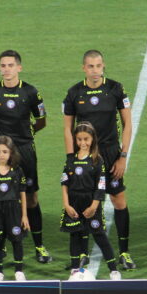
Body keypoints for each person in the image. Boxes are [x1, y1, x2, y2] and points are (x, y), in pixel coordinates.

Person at [62, 50, 135, 270]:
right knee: (81, 201)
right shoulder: (74, 93)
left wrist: (123, 156)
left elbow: (127, 124)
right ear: (84, 68)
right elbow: (67, 128)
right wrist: (70, 159)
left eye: (99, 66)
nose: (95, 70)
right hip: (85, 156)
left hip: (111, 153)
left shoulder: (115, 89)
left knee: (118, 200)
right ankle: (81, 253)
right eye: (91, 66)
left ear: (104, 66)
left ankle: (124, 252)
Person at [0, 50, 51, 264]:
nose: (7, 69)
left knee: (30, 197)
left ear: (19, 67)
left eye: (11, 65)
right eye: (3, 65)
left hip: (24, 149)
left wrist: (24, 137)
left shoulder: (30, 92)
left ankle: (39, 246)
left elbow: (41, 120)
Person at [61, 122, 121, 280]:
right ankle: (74, 271)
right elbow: (65, 184)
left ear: (93, 139)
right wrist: (66, 205)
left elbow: (101, 186)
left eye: (86, 139)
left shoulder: (97, 160)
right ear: (75, 140)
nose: (83, 143)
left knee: (99, 234)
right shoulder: (70, 160)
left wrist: (94, 206)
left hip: (90, 203)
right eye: (79, 139)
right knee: (75, 236)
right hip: (73, 203)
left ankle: (113, 270)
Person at [0, 135, 30, 281]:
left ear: (11, 153)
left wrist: (24, 215)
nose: (1, 155)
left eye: (4, 152)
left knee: (16, 240)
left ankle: (19, 271)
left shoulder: (17, 170)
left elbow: (22, 193)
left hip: (14, 209)